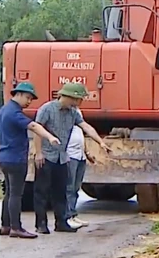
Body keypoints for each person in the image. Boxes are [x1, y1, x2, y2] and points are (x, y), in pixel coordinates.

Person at [33, 82, 112, 234]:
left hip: (62, 157)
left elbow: (86, 127)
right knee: (41, 191)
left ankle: (61, 222)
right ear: (71, 97)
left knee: (61, 191)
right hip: (46, 156)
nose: (80, 103)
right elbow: (37, 129)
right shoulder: (47, 109)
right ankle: (41, 223)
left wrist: (100, 142)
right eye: (79, 99)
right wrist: (38, 152)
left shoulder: (73, 112)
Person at [0, 82, 62, 239]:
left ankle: (5, 226)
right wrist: (50, 136)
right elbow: (33, 126)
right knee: (16, 194)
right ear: (17, 94)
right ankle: (16, 228)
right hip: (15, 158)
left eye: (31, 99)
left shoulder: (4, 110)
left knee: (9, 193)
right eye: (27, 97)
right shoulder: (14, 113)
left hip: (4, 157)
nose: (29, 102)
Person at [65, 122, 96, 229]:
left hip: (80, 155)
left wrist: (86, 152)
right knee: (69, 187)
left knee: (75, 188)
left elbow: (81, 132)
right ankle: (67, 216)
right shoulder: (63, 111)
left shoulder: (77, 112)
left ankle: (73, 214)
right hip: (70, 155)